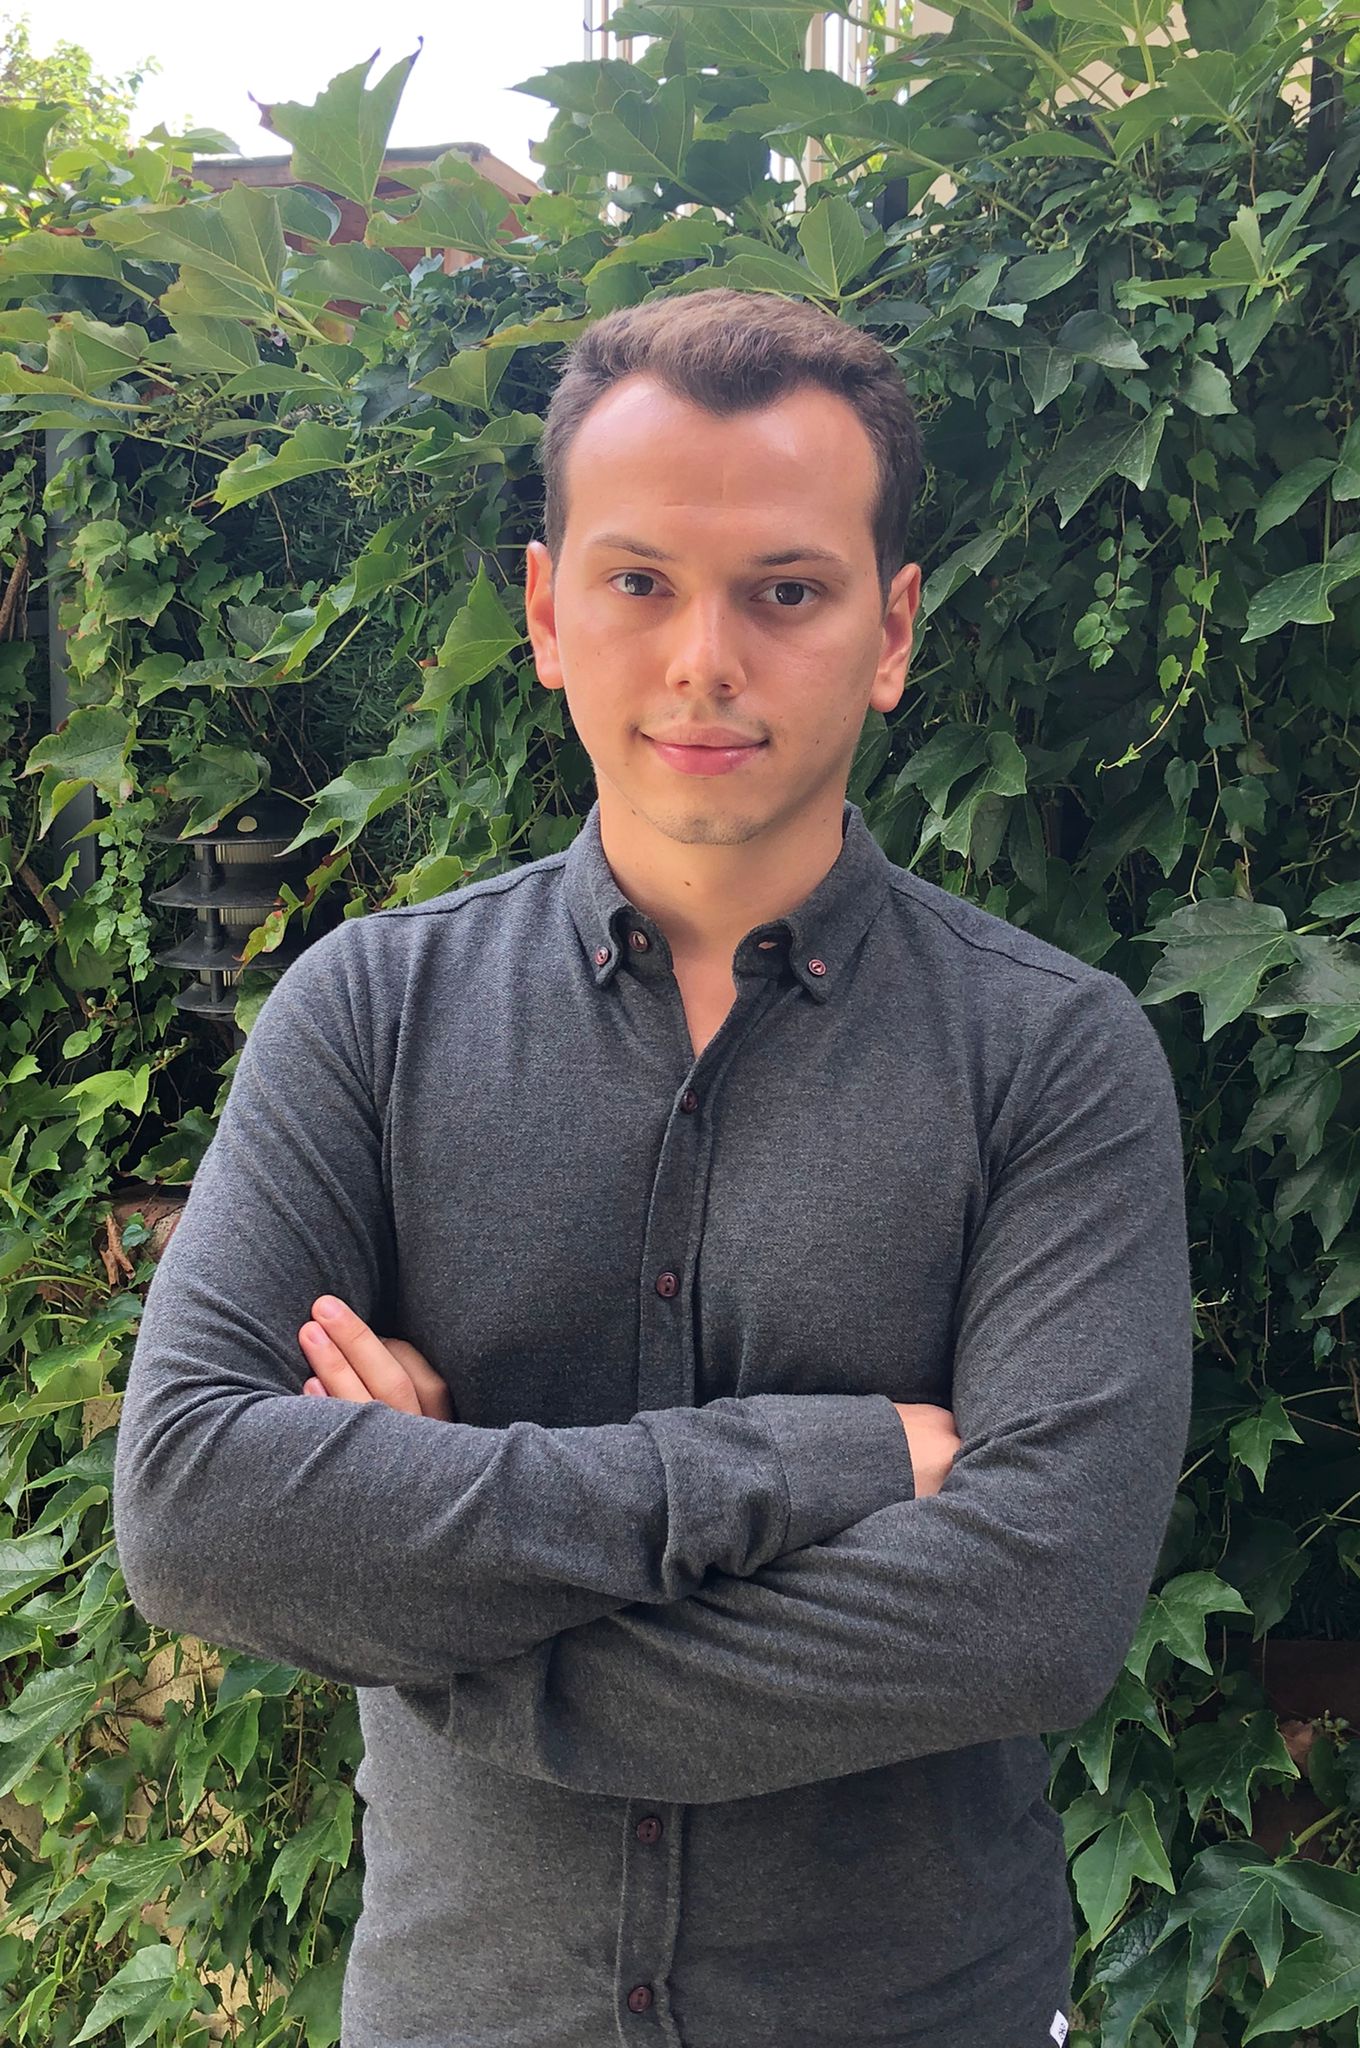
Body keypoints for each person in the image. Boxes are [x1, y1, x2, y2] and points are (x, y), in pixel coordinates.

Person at [113, 286, 1193, 2048]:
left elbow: (1031, 1613)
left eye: (786, 592)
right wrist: (821, 1461)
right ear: (547, 612)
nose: (704, 660)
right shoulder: (368, 1018)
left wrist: (439, 1594)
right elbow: (194, 1508)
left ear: (892, 631)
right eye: (640, 583)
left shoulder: (1051, 1059)